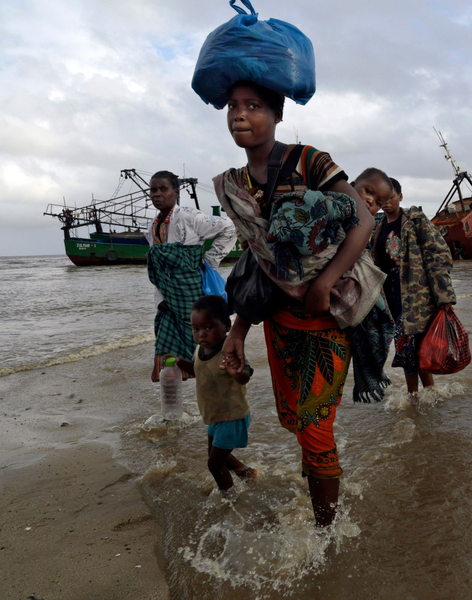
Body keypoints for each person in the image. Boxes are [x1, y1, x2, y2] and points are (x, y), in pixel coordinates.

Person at [214, 81, 376, 527]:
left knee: (315, 424)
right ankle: (320, 505)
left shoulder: (309, 160)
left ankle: (325, 538)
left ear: (278, 115)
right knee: (300, 422)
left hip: (328, 315)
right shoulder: (238, 183)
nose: (239, 114)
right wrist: (237, 331)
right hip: (280, 321)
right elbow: (259, 262)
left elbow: (362, 220)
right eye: (232, 106)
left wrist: (325, 280)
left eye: (253, 106)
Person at [145, 170, 236, 382]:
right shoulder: (152, 227)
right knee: (168, 341)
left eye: (163, 189)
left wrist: (210, 260)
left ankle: (217, 378)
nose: (157, 194)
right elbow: (158, 270)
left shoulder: (189, 216)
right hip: (169, 296)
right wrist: (160, 299)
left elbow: (229, 227)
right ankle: (181, 384)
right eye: (153, 190)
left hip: (191, 289)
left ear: (176, 192)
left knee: (201, 336)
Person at [372, 178, 457, 400]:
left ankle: (418, 398)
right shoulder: (378, 227)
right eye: (382, 199)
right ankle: (425, 397)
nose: (387, 202)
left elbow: (438, 255)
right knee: (410, 346)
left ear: (401, 196)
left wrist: (444, 295)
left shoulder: (415, 221)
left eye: (391, 197)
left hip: (417, 296)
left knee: (413, 345)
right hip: (392, 296)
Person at [175, 295, 257, 497]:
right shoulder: (200, 350)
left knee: (214, 464)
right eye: (196, 329)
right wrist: (180, 363)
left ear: (227, 326)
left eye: (208, 327)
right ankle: (246, 473)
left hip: (232, 417)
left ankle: (229, 498)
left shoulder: (229, 352)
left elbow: (245, 375)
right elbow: (199, 370)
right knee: (217, 455)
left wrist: (236, 372)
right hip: (215, 415)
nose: (201, 334)